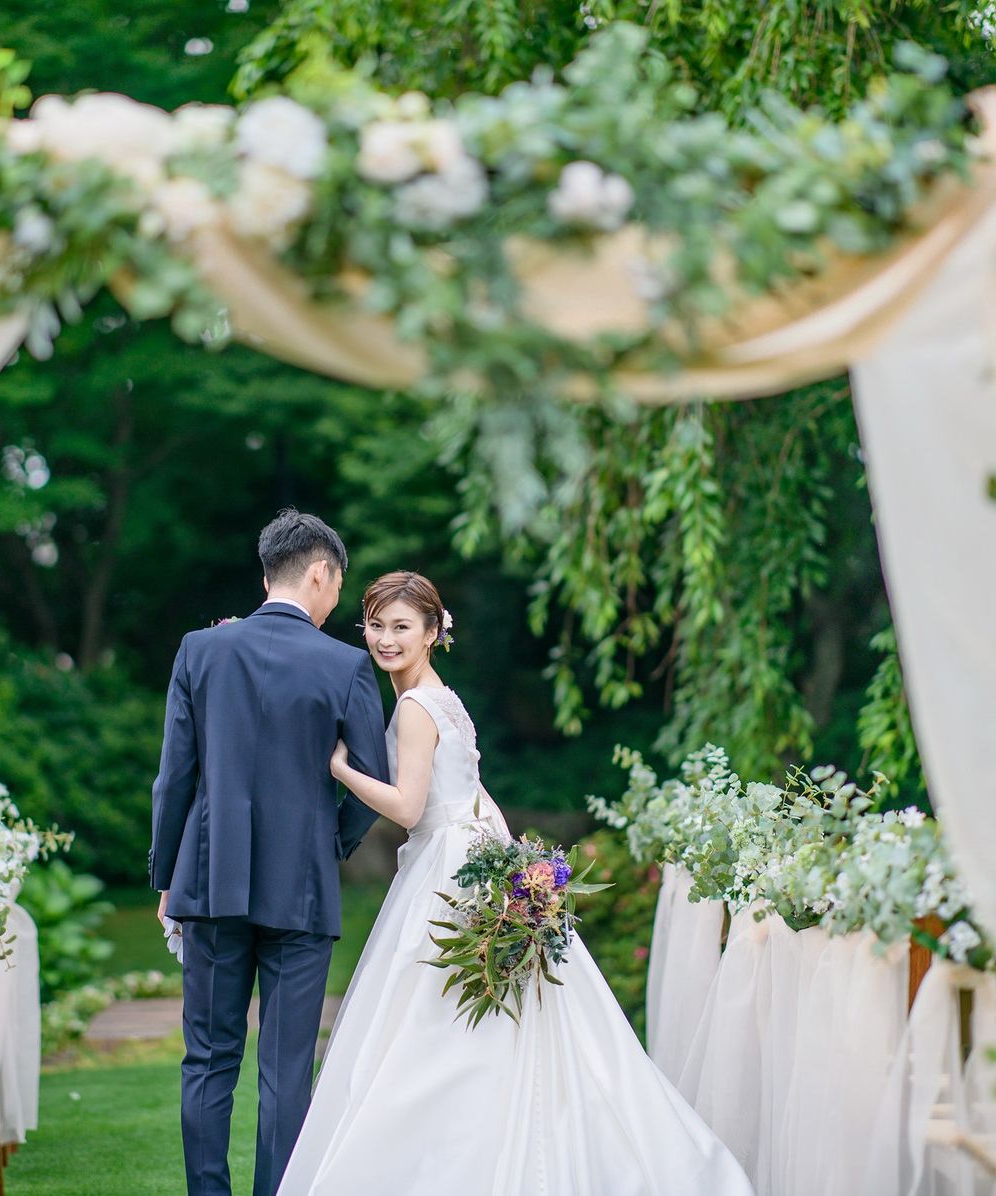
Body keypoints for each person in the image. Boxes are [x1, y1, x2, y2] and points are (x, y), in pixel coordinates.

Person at [277, 570, 756, 1196]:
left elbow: (409, 808)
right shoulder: (444, 697)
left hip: (448, 867)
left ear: (432, 632)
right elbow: (477, 793)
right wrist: (515, 866)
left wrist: (339, 768)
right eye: (375, 625)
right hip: (476, 855)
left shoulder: (416, 708)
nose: (385, 639)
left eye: (401, 627)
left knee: (434, 1015)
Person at [149, 509, 389, 1196]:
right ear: (321, 572)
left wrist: (167, 876)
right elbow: (372, 782)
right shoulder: (346, 665)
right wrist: (328, 842)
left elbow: (174, 777)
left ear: (266, 577)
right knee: (287, 1071)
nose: (336, 599)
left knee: (207, 1060)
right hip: (301, 891)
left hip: (209, 882)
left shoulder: (200, 650)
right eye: (338, 585)